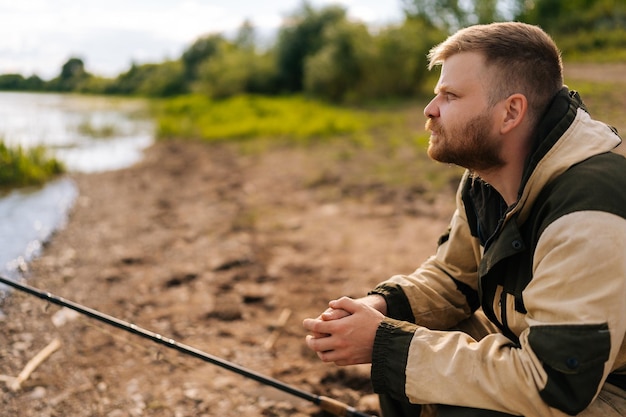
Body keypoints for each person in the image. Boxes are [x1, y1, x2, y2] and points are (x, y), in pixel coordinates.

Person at [302, 21, 626, 417]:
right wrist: (379, 309)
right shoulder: (487, 180)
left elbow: (553, 384)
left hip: (603, 389)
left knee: (456, 398)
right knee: (402, 356)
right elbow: (454, 279)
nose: (430, 109)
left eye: (449, 95)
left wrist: (387, 344)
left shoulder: (589, 209)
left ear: (511, 112)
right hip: (545, 362)